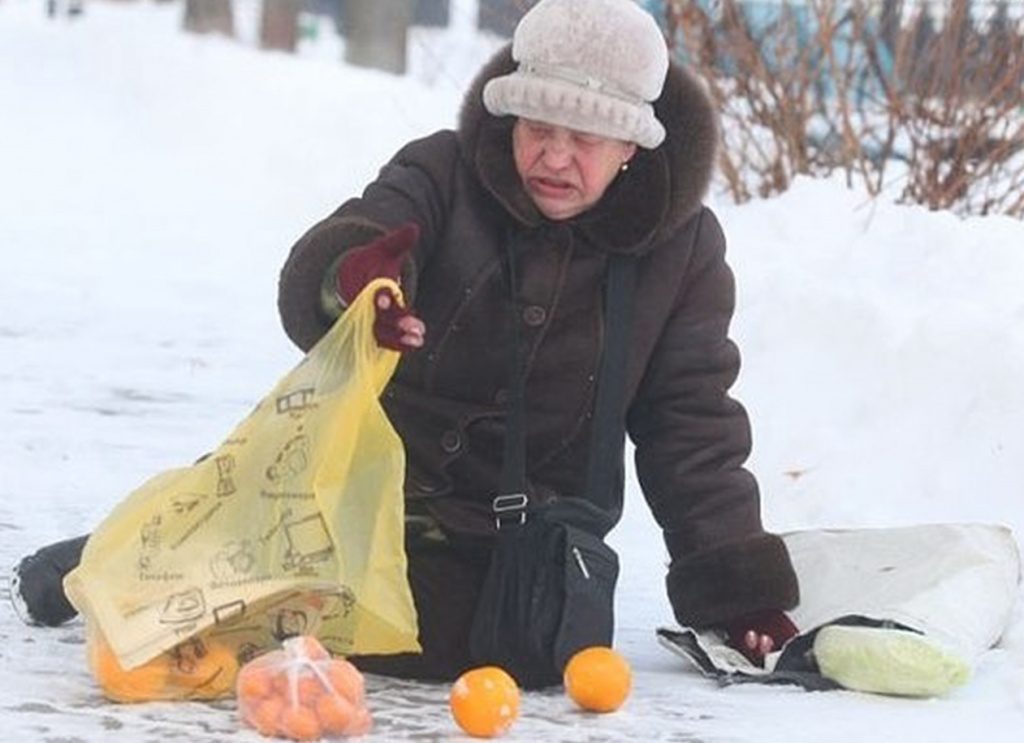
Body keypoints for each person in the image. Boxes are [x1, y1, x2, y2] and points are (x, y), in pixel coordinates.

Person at [10, 0, 799, 682]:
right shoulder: (443, 171)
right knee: (188, 582)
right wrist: (359, 283)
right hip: (351, 495)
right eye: (537, 127)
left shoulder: (681, 252)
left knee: (456, 644)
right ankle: (111, 555)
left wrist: (739, 596)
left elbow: (691, 423)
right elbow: (365, 231)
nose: (554, 156)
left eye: (585, 137)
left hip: (514, 548)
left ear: (632, 145)